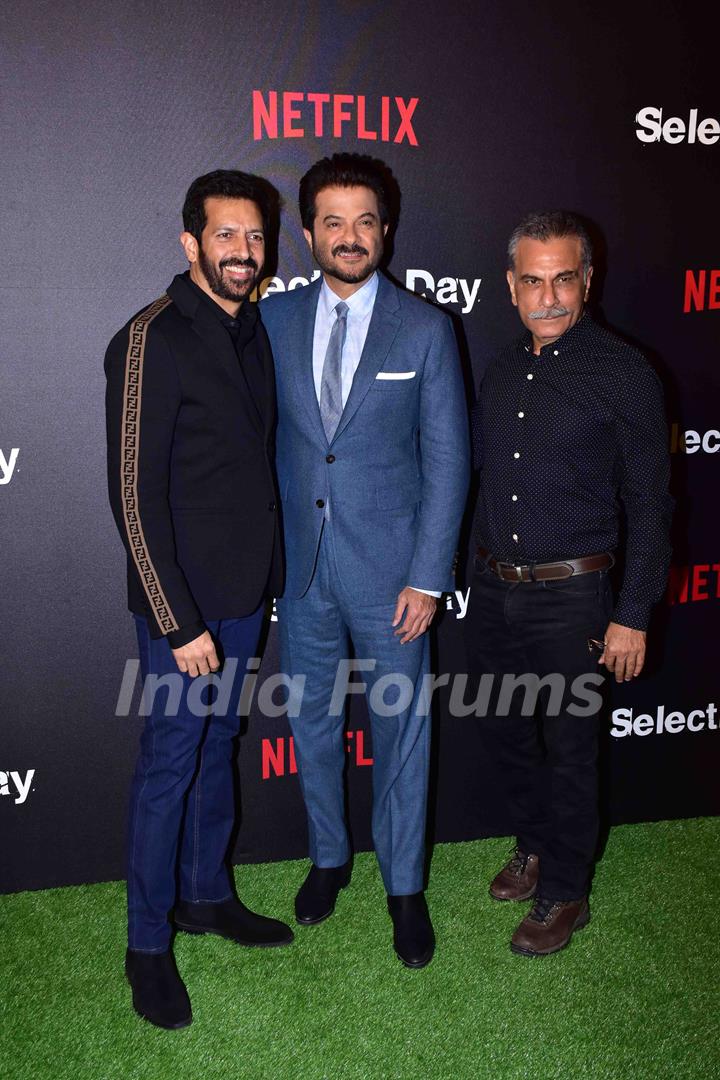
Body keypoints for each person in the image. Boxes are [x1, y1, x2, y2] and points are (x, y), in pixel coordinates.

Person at [261, 153, 469, 968]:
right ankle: (327, 858)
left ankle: (405, 886)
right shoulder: (271, 323)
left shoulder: (424, 327)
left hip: (394, 578)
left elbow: (449, 459)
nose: (351, 237)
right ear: (308, 231)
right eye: (334, 221)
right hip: (301, 573)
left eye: (367, 221)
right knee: (310, 722)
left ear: (387, 229)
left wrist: (427, 574)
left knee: (402, 730)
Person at [104, 170, 292, 1030]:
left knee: (221, 745)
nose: (243, 253)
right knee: (170, 763)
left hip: (247, 597)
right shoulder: (149, 338)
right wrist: (176, 622)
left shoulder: (253, 330)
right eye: (225, 237)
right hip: (182, 610)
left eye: (254, 238)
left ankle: (206, 896)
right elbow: (133, 497)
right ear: (190, 244)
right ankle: (148, 945)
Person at [465, 210, 672, 956]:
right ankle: (534, 846)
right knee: (511, 734)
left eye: (563, 279)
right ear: (510, 286)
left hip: (575, 596)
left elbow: (652, 502)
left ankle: (567, 892)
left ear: (588, 280)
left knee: (573, 750)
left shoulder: (624, 372)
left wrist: (634, 612)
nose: (549, 295)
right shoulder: (498, 368)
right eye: (533, 280)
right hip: (495, 590)